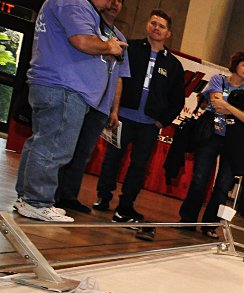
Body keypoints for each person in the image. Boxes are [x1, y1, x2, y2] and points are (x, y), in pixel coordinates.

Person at [14, 0, 127, 222]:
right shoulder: (74, 2)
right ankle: (37, 201)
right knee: (55, 146)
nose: (111, 2)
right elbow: (82, 40)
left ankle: (27, 197)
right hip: (64, 87)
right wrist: (109, 47)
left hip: (56, 85)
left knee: (41, 142)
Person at [93, 9, 184, 241]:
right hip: (122, 116)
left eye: (161, 26)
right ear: (147, 25)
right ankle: (103, 197)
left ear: (168, 33)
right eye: (153, 23)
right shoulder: (130, 48)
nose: (156, 28)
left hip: (149, 124)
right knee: (112, 158)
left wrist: (161, 121)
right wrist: (113, 109)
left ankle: (126, 206)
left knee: (139, 166)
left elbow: (177, 100)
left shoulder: (173, 65)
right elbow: (116, 78)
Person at [53, 0, 129, 215]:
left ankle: (68, 196)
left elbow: (119, 77)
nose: (114, 4)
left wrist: (114, 110)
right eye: (111, 0)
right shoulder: (88, 26)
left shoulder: (121, 39)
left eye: (119, 1)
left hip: (101, 106)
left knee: (83, 153)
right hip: (80, 96)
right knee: (62, 147)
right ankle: (49, 195)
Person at [178, 51, 244, 238]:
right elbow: (216, 104)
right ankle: (188, 220)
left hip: (235, 141)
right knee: (199, 179)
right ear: (235, 65)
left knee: (223, 186)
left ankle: (210, 225)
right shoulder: (218, 80)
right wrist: (241, 111)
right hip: (211, 136)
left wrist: (229, 107)